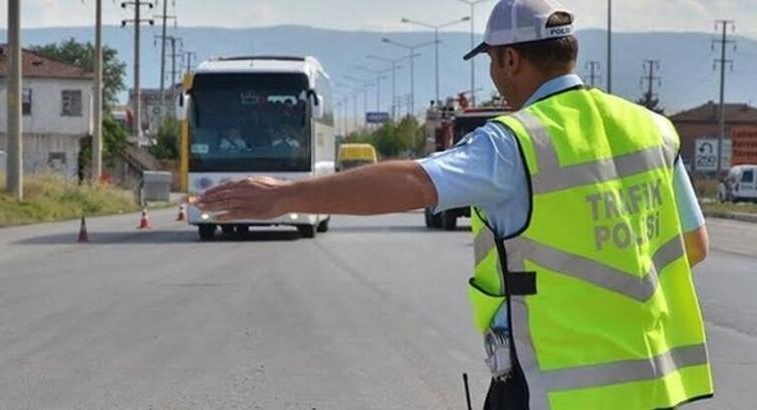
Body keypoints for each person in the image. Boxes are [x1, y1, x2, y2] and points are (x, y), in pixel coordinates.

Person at [197, 1, 713, 408]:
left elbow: (414, 183)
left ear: (510, 58)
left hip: (550, 390)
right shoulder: (652, 130)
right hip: (652, 387)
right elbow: (694, 246)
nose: (494, 75)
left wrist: (285, 196)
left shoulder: (515, 142)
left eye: (491, 61)